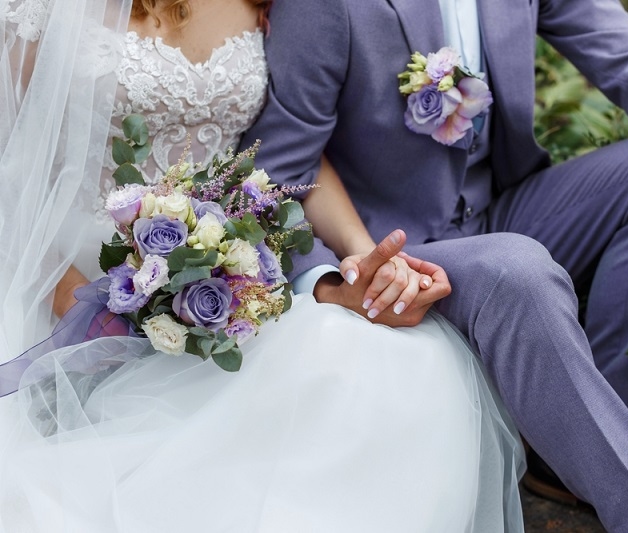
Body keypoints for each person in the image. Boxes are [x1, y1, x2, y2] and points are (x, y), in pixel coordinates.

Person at [241, 0, 628, 531]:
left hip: (502, 209)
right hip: (392, 252)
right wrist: (335, 281)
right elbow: (278, 172)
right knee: (514, 268)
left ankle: (584, 427)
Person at [0, 1, 525, 531]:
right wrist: (69, 296)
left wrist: (360, 254)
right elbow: (8, 160)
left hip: (224, 275)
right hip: (60, 265)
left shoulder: (269, 4)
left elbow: (295, 157)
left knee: (388, 365)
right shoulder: (43, 9)